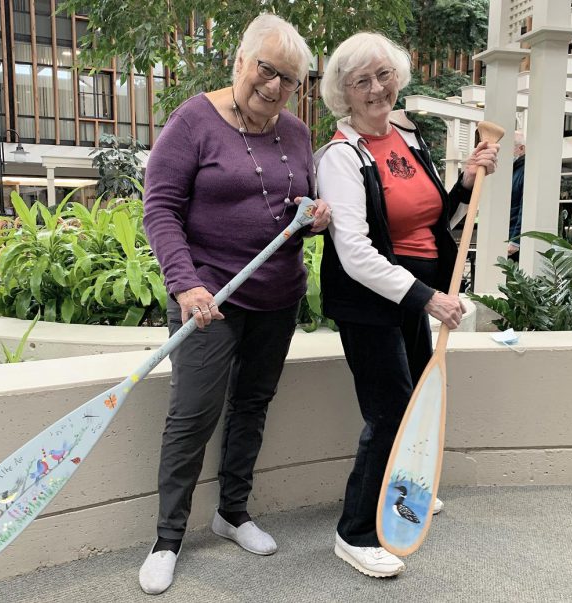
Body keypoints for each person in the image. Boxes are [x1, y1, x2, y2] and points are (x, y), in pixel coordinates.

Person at [140, 14, 331, 595]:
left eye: (289, 80)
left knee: (252, 405)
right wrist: (184, 283)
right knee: (193, 416)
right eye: (266, 70)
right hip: (208, 300)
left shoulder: (296, 132)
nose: (274, 87)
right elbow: (160, 208)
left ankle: (232, 513)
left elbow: (296, 212)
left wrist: (313, 218)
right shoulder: (192, 121)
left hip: (276, 299)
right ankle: (167, 539)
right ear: (240, 63)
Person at [315, 32, 499, 578]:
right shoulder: (341, 157)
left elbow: (434, 219)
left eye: (384, 75)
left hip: (417, 299)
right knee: (390, 407)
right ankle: (355, 531)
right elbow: (354, 253)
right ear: (343, 93)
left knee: (419, 396)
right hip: (370, 302)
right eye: (361, 81)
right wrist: (429, 300)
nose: (377, 89)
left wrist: (464, 184)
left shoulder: (407, 137)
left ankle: (403, 483)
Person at [508, 130, 526, 261]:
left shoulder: (525, 170)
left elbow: (524, 207)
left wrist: (515, 241)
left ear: (521, 148)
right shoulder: (512, 170)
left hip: (514, 244)